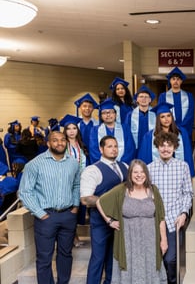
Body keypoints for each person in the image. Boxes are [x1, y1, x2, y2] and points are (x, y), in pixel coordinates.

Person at [18, 131, 81, 284]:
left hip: (68, 215)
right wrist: (40, 213)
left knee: (66, 254)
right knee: (45, 257)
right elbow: (25, 191)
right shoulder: (35, 164)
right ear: (48, 143)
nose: (59, 143)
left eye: (62, 140)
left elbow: (76, 185)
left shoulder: (73, 163)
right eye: (55, 140)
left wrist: (75, 206)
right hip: (46, 217)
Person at [96, 159, 168, 283]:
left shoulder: (153, 190)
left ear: (146, 173)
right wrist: (109, 221)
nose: (139, 175)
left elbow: (161, 218)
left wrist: (164, 240)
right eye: (135, 172)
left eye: (142, 172)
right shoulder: (121, 190)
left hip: (150, 241)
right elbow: (99, 202)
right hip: (128, 241)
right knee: (128, 270)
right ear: (130, 174)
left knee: (151, 270)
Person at [80, 135, 128, 284]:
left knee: (114, 257)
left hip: (121, 219)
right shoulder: (92, 170)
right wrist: (108, 203)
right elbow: (86, 199)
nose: (113, 149)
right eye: (109, 146)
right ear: (101, 149)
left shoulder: (125, 166)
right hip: (101, 220)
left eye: (115, 146)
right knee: (98, 257)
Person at [148, 131, 193, 284]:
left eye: (169, 146)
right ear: (157, 147)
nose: (165, 149)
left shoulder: (183, 167)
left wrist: (184, 213)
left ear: (175, 147)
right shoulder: (149, 168)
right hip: (154, 221)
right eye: (162, 145)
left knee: (171, 259)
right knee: (156, 258)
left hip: (175, 220)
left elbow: (187, 193)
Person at [137, 102, 195, 177]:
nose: (166, 119)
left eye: (168, 116)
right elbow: (144, 157)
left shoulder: (181, 133)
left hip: (177, 172)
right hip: (157, 174)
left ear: (172, 117)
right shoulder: (149, 136)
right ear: (158, 119)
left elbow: (187, 154)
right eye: (162, 117)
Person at [60, 114, 89, 246]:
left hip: (80, 182)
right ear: (64, 131)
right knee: (69, 211)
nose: (72, 131)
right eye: (68, 128)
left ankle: (74, 236)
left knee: (77, 210)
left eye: (74, 128)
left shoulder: (81, 145)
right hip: (67, 182)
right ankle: (72, 238)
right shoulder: (62, 145)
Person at [89, 98, 135, 164]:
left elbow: (130, 149)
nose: (108, 115)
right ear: (101, 116)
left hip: (122, 166)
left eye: (111, 112)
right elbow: (94, 150)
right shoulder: (95, 130)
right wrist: (106, 164)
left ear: (115, 114)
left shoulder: (125, 128)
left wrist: (121, 164)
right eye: (104, 113)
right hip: (103, 167)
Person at [158, 67, 195, 142]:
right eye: (173, 79)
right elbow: (161, 113)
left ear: (181, 81)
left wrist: (181, 127)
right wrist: (172, 127)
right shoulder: (163, 96)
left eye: (178, 79)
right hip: (169, 129)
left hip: (185, 129)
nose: (176, 81)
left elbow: (190, 114)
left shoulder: (189, 96)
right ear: (170, 81)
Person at [125, 85, 157, 150]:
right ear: (137, 99)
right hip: (135, 147)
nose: (143, 99)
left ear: (150, 99)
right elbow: (126, 132)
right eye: (141, 97)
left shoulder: (155, 114)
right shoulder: (130, 115)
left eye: (146, 97)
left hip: (152, 147)